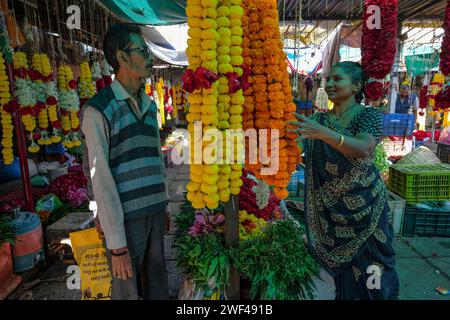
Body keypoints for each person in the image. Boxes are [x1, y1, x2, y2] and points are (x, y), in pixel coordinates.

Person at [289, 61, 399, 300]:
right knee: (344, 277)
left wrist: (323, 134)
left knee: (374, 267)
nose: (329, 84)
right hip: (331, 214)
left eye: (337, 79)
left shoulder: (367, 115)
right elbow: (294, 150)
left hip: (367, 207)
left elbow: (364, 148)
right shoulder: (319, 120)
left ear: (356, 85)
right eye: (327, 79)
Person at [80, 24, 169, 300]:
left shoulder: (150, 105)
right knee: (126, 290)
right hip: (126, 219)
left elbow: (156, 158)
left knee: (157, 284)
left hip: (154, 213)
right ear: (122, 58)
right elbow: (100, 177)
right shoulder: (98, 110)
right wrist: (117, 245)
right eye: (142, 51)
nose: (149, 57)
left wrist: (164, 203)